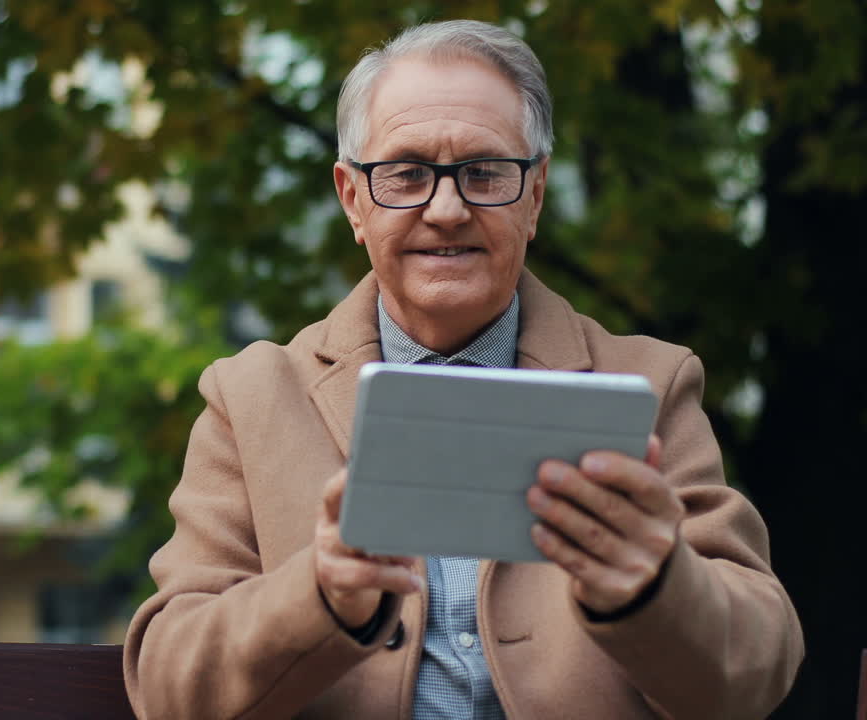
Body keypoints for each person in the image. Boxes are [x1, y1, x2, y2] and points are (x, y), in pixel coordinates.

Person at [123, 19, 803, 720]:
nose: (446, 210)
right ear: (353, 199)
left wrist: (660, 588)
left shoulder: (650, 386)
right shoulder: (252, 396)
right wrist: (317, 595)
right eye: (408, 173)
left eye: (484, 173)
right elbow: (169, 686)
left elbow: (758, 666)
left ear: (534, 195)